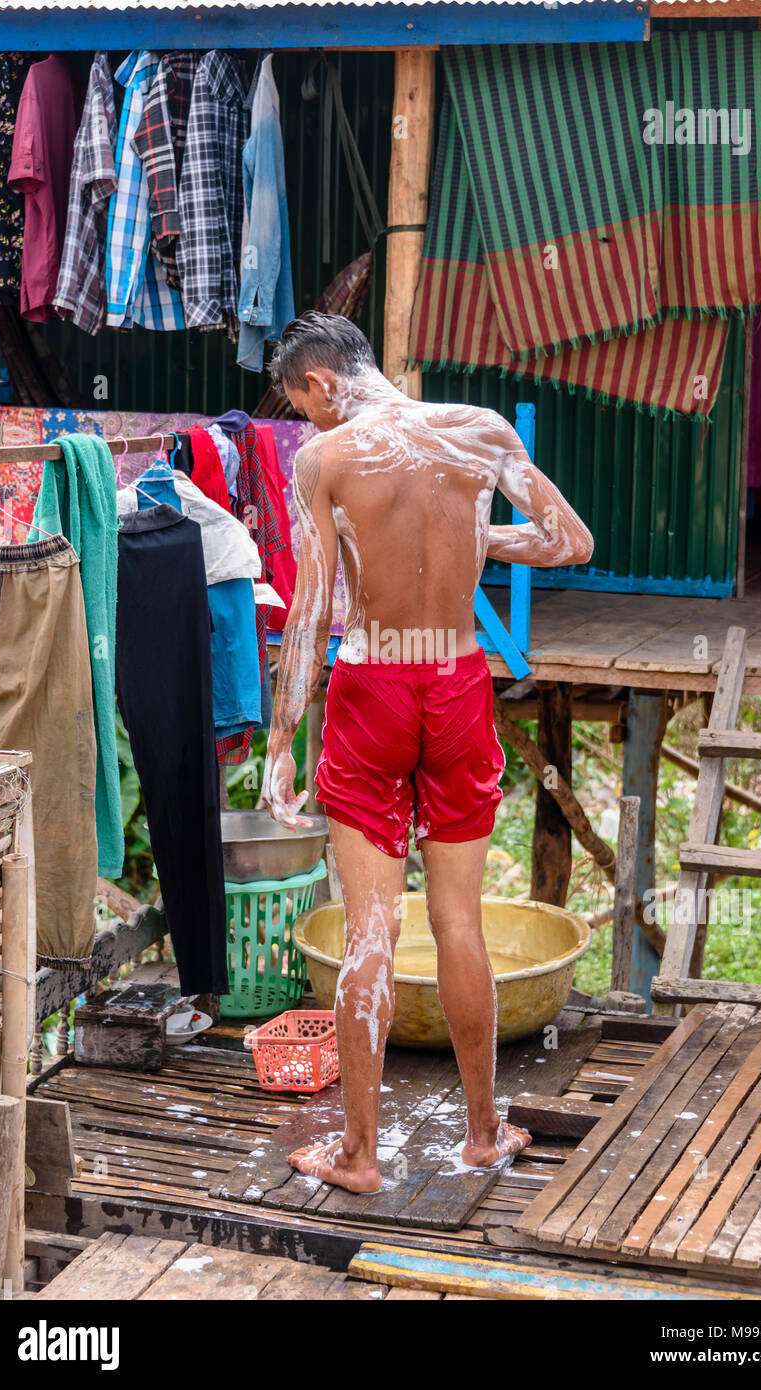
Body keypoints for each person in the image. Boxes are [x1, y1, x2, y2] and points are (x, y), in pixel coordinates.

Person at [261, 311, 594, 1194]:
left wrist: (281, 741)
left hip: (372, 688)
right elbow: (569, 541)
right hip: (455, 683)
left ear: (323, 383)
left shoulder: (325, 462)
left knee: (372, 929)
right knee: (458, 920)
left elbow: (310, 613)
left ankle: (360, 1157)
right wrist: (474, 539)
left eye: (300, 402)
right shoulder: (478, 432)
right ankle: (485, 1132)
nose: (306, 421)